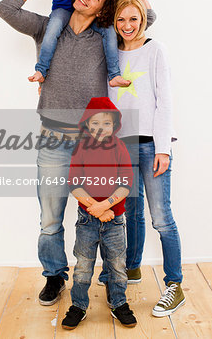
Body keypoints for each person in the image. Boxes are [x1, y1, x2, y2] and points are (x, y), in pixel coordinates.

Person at [0, 0, 156, 307]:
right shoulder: (46, 29)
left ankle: (109, 274)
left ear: (103, 9)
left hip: (94, 145)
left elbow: (148, 15)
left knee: (104, 210)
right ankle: (55, 276)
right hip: (53, 138)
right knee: (50, 217)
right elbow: (5, 8)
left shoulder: (105, 36)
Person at [106, 0, 185, 316]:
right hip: (121, 145)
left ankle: (175, 285)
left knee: (161, 218)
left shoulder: (155, 50)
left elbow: (164, 101)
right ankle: (132, 267)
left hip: (151, 144)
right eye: (121, 19)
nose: (127, 25)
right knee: (131, 213)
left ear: (143, 20)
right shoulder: (111, 55)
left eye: (134, 18)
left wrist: (163, 149)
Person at [61, 97, 136, 329]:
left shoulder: (120, 148)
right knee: (83, 265)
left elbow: (126, 182)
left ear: (114, 125)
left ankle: (119, 302)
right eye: (94, 123)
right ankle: (79, 306)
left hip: (114, 219)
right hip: (87, 219)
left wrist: (106, 206)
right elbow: (75, 182)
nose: (99, 128)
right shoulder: (81, 147)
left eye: (105, 123)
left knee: (116, 265)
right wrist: (94, 207)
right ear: (86, 124)